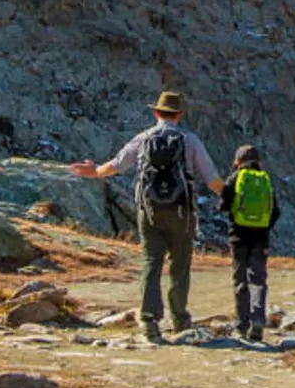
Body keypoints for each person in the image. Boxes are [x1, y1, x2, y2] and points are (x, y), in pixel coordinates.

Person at [70, 91, 222, 341]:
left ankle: (149, 319)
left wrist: (95, 171)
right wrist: (231, 193)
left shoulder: (143, 138)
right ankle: (180, 319)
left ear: (156, 113)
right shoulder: (190, 140)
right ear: (179, 115)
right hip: (182, 211)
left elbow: (118, 164)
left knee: (152, 262)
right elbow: (212, 179)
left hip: (148, 209)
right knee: (179, 265)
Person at [220, 143, 280, 342]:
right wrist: (263, 227)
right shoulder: (265, 180)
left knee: (240, 280)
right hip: (260, 238)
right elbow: (275, 211)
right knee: (258, 279)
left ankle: (241, 325)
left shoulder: (235, 178)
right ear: (259, 162)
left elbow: (223, 205)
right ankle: (258, 322)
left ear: (237, 162)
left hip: (238, 238)